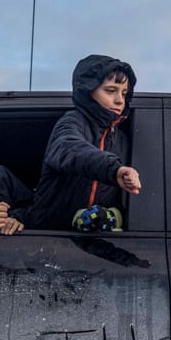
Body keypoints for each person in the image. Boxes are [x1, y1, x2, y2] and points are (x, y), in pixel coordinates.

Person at [27, 54, 140, 232]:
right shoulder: (72, 122)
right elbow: (69, 148)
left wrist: (112, 216)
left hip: (93, 243)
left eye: (124, 93)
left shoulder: (123, 140)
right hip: (49, 238)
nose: (119, 100)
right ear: (88, 91)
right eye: (111, 91)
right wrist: (113, 169)